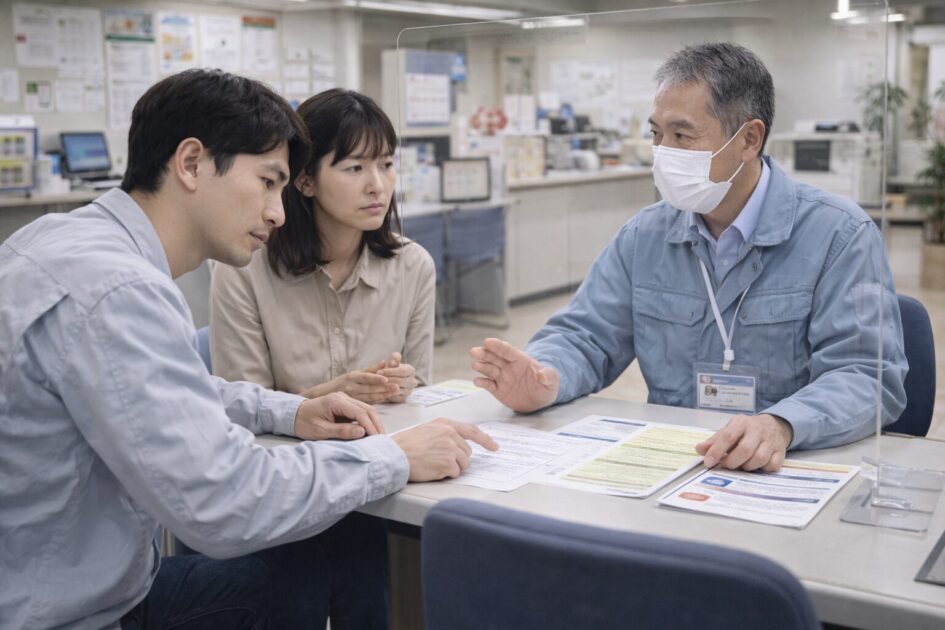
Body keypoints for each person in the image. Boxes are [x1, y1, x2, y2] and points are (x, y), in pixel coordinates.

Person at [0, 68, 496, 630]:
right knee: (298, 579)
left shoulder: (60, 238)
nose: (278, 212)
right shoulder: (121, 289)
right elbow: (220, 502)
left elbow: (166, 389)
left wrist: (292, 410)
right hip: (63, 614)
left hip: (80, 581)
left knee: (288, 583)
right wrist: (395, 456)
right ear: (190, 163)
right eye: (267, 182)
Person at [470, 42, 907, 473]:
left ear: (749, 139)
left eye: (682, 135)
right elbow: (586, 335)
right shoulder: (646, 236)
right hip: (676, 464)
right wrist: (545, 377)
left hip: (787, 468)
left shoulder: (839, 235)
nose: (663, 153)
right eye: (657, 135)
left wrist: (782, 424)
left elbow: (867, 374)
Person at [211, 88, 433, 405]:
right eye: (355, 168)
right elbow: (241, 413)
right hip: (284, 453)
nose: (378, 186)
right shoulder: (243, 269)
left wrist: (405, 386)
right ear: (305, 181)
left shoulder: (413, 265)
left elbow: (422, 395)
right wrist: (328, 398)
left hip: (384, 447)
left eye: (386, 164)